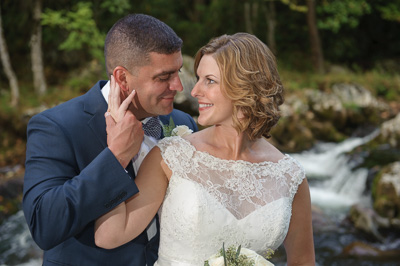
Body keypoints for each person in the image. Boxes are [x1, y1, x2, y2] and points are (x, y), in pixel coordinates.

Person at [95, 32, 315, 265]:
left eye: (209, 80)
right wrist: (116, 156)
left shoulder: (291, 177)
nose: (194, 91)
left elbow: (303, 262)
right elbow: (109, 235)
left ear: (245, 86)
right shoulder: (171, 156)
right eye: (198, 79)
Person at [23, 14, 198, 266]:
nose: (179, 86)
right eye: (164, 77)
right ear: (122, 78)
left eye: (178, 72)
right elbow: (44, 225)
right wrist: (115, 157)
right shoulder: (57, 126)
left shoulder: (183, 124)